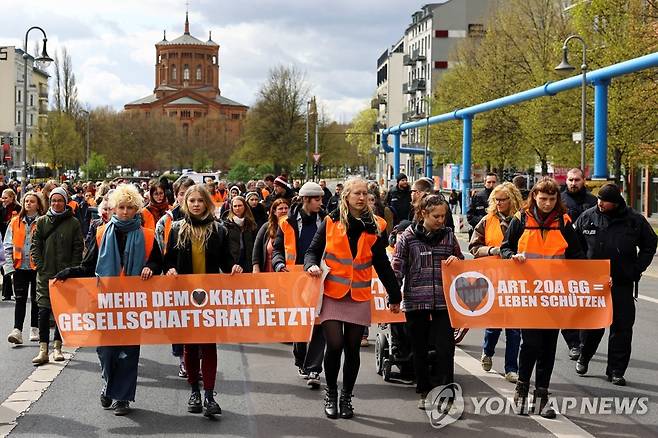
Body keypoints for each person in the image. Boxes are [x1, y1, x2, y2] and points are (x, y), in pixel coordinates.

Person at [55, 184, 162, 416]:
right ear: (113, 209)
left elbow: (158, 263)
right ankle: (108, 384)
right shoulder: (102, 232)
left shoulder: (148, 236)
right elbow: (89, 265)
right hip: (105, 301)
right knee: (106, 350)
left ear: (137, 210)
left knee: (129, 351)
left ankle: (121, 398)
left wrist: (150, 268)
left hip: (134, 302)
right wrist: (69, 273)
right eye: (121, 207)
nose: (125, 212)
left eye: (130, 208)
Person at [305, 177, 401, 419]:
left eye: (364, 193)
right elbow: (313, 251)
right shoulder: (331, 221)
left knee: (352, 349)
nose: (361, 197)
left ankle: (347, 396)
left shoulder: (376, 224)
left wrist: (394, 293)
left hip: (358, 295)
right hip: (332, 293)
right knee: (335, 345)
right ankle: (332, 393)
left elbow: (381, 263)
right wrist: (311, 265)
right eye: (356, 193)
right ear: (346, 196)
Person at [500, 177, 584, 418]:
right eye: (543, 198)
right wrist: (512, 256)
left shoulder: (564, 221)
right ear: (534, 197)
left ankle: (542, 397)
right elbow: (506, 247)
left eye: (552, 198)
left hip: (554, 295)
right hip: (528, 293)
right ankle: (522, 391)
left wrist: (596, 280)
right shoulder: (521, 219)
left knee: (548, 347)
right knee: (530, 344)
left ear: (557, 199)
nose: (547, 203)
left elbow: (577, 255)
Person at [165, 184, 241, 417]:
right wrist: (169, 270)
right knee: (190, 346)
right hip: (185, 296)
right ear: (185, 204)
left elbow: (226, 261)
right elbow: (168, 260)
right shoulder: (177, 229)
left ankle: (209, 395)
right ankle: (194, 392)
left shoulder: (218, 230)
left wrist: (234, 267)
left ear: (207, 203)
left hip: (210, 296)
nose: (196, 204)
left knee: (208, 346)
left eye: (200, 201)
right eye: (192, 201)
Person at [574, 183, 657, 386]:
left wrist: (636, 269)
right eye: (599, 200)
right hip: (594, 283)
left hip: (622, 282)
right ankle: (584, 356)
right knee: (593, 326)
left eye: (605, 201)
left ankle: (616, 370)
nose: (601, 204)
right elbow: (575, 245)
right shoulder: (588, 216)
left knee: (622, 328)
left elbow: (649, 244)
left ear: (616, 201)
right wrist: (583, 269)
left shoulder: (633, 219)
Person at [393, 193, 464, 409]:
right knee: (420, 349)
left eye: (443, 216)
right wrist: (394, 295)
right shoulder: (407, 237)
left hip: (444, 301)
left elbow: (461, 262)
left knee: (445, 348)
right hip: (416, 300)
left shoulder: (449, 237)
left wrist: (457, 260)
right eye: (436, 216)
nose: (441, 220)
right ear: (423, 214)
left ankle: (447, 393)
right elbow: (398, 267)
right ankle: (424, 391)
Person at [272, 182, 327, 389]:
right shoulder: (287, 223)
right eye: (317, 199)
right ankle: (301, 359)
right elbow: (277, 249)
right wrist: (278, 264)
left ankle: (314, 368)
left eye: (321, 199)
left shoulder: (327, 220)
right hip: (295, 278)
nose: (321, 203)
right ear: (306, 200)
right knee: (301, 322)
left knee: (319, 322)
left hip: (321, 275)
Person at [469, 182, 524, 383]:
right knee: (494, 323)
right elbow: (474, 247)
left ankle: (511, 368)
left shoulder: (522, 220)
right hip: (493, 277)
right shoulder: (487, 220)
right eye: (496, 199)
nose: (499, 203)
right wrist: (491, 250)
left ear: (513, 200)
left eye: (503, 199)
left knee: (514, 327)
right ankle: (488, 350)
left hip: (516, 279)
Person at [30, 187, 84, 366]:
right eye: (53, 200)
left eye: (60, 200)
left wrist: (73, 269)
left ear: (65, 202)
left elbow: (78, 247)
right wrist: (40, 265)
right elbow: (35, 245)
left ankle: (58, 347)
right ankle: (43, 349)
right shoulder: (42, 221)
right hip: (45, 274)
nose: (56, 203)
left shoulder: (74, 223)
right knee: (43, 311)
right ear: (49, 202)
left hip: (65, 275)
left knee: (62, 311)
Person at [154, 176, 195, 378]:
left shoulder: (204, 218)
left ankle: (195, 359)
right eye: (181, 194)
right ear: (176, 196)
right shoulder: (166, 221)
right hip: (174, 279)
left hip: (198, 279)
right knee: (179, 320)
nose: (186, 198)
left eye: (190, 193)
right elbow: (160, 250)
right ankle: (182, 359)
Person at [560, 168, 598, 360]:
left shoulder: (592, 202)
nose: (573, 183)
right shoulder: (559, 201)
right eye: (570, 179)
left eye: (577, 180)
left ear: (584, 180)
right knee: (567, 304)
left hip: (587, 260)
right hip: (564, 260)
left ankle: (584, 341)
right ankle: (573, 343)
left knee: (585, 304)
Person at [5, 192, 45, 345]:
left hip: (37, 267)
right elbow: (8, 246)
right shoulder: (15, 222)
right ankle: (17, 330)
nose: (28, 203)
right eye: (26, 201)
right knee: (20, 299)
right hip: (19, 266)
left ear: (38, 204)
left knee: (36, 299)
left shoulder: (43, 221)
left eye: (32, 201)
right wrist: (8, 266)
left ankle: (34, 328)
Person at [222, 196, 257, 273]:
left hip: (249, 264)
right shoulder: (226, 225)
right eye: (235, 206)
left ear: (245, 206)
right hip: (232, 265)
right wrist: (231, 264)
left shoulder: (251, 224)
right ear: (232, 208)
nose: (237, 208)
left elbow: (256, 245)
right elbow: (224, 248)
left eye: (240, 205)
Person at [252, 199, 289, 273]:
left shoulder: (292, 226)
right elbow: (257, 248)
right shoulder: (266, 227)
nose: (284, 211)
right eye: (280, 209)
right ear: (274, 212)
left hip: (286, 270)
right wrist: (256, 266)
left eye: (286, 208)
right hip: (267, 270)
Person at [0, 188, 21, 301]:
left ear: (12, 198)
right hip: (4, 240)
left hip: (16, 241)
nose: (4, 200)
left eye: (6, 198)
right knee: (5, 266)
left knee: (17, 266)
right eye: (2, 198)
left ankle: (19, 290)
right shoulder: (1, 209)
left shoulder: (19, 208)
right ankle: (7, 293)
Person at [467, 172, 497, 238]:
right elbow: (470, 217)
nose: (491, 184)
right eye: (489, 182)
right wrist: (483, 221)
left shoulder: (501, 196)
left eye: (493, 182)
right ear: (485, 183)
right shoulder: (478, 196)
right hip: (480, 234)